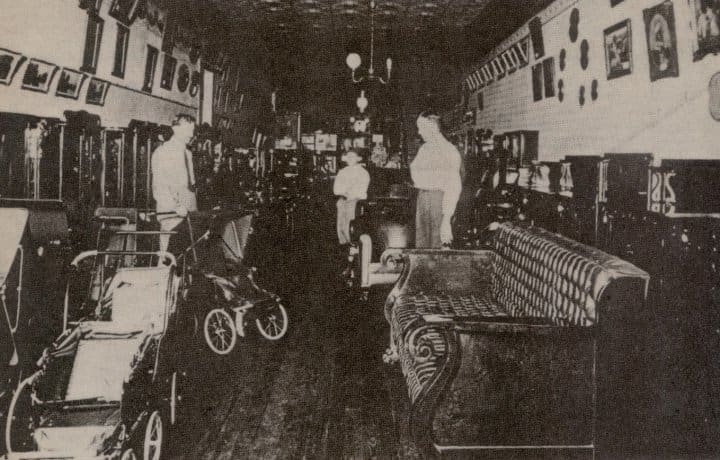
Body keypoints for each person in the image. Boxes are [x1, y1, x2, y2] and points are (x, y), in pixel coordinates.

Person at [410, 111, 462, 248]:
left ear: (433, 127)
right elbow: (415, 173)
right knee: (421, 249)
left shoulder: (449, 151)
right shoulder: (424, 149)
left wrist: (446, 219)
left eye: (421, 127)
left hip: (438, 201)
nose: (419, 132)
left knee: (437, 250)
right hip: (422, 198)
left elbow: (453, 188)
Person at [151, 114, 197, 252]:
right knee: (169, 259)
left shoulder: (188, 153)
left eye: (192, 130)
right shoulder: (163, 152)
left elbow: (190, 184)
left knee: (187, 259)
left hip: (190, 213)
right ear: (175, 129)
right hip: (173, 214)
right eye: (187, 130)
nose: (191, 134)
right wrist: (176, 207)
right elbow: (159, 187)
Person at [333, 150, 370, 246]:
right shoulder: (342, 172)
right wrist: (345, 192)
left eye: (352, 157)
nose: (350, 159)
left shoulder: (363, 173)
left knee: (350, 226)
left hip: (355, 201)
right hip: (343, 200)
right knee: (341, 227)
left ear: (358, 158)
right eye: (348, 157)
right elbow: (336, 189)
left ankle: (353, 245)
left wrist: (349, 192)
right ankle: (344, 245)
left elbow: (361, 190)